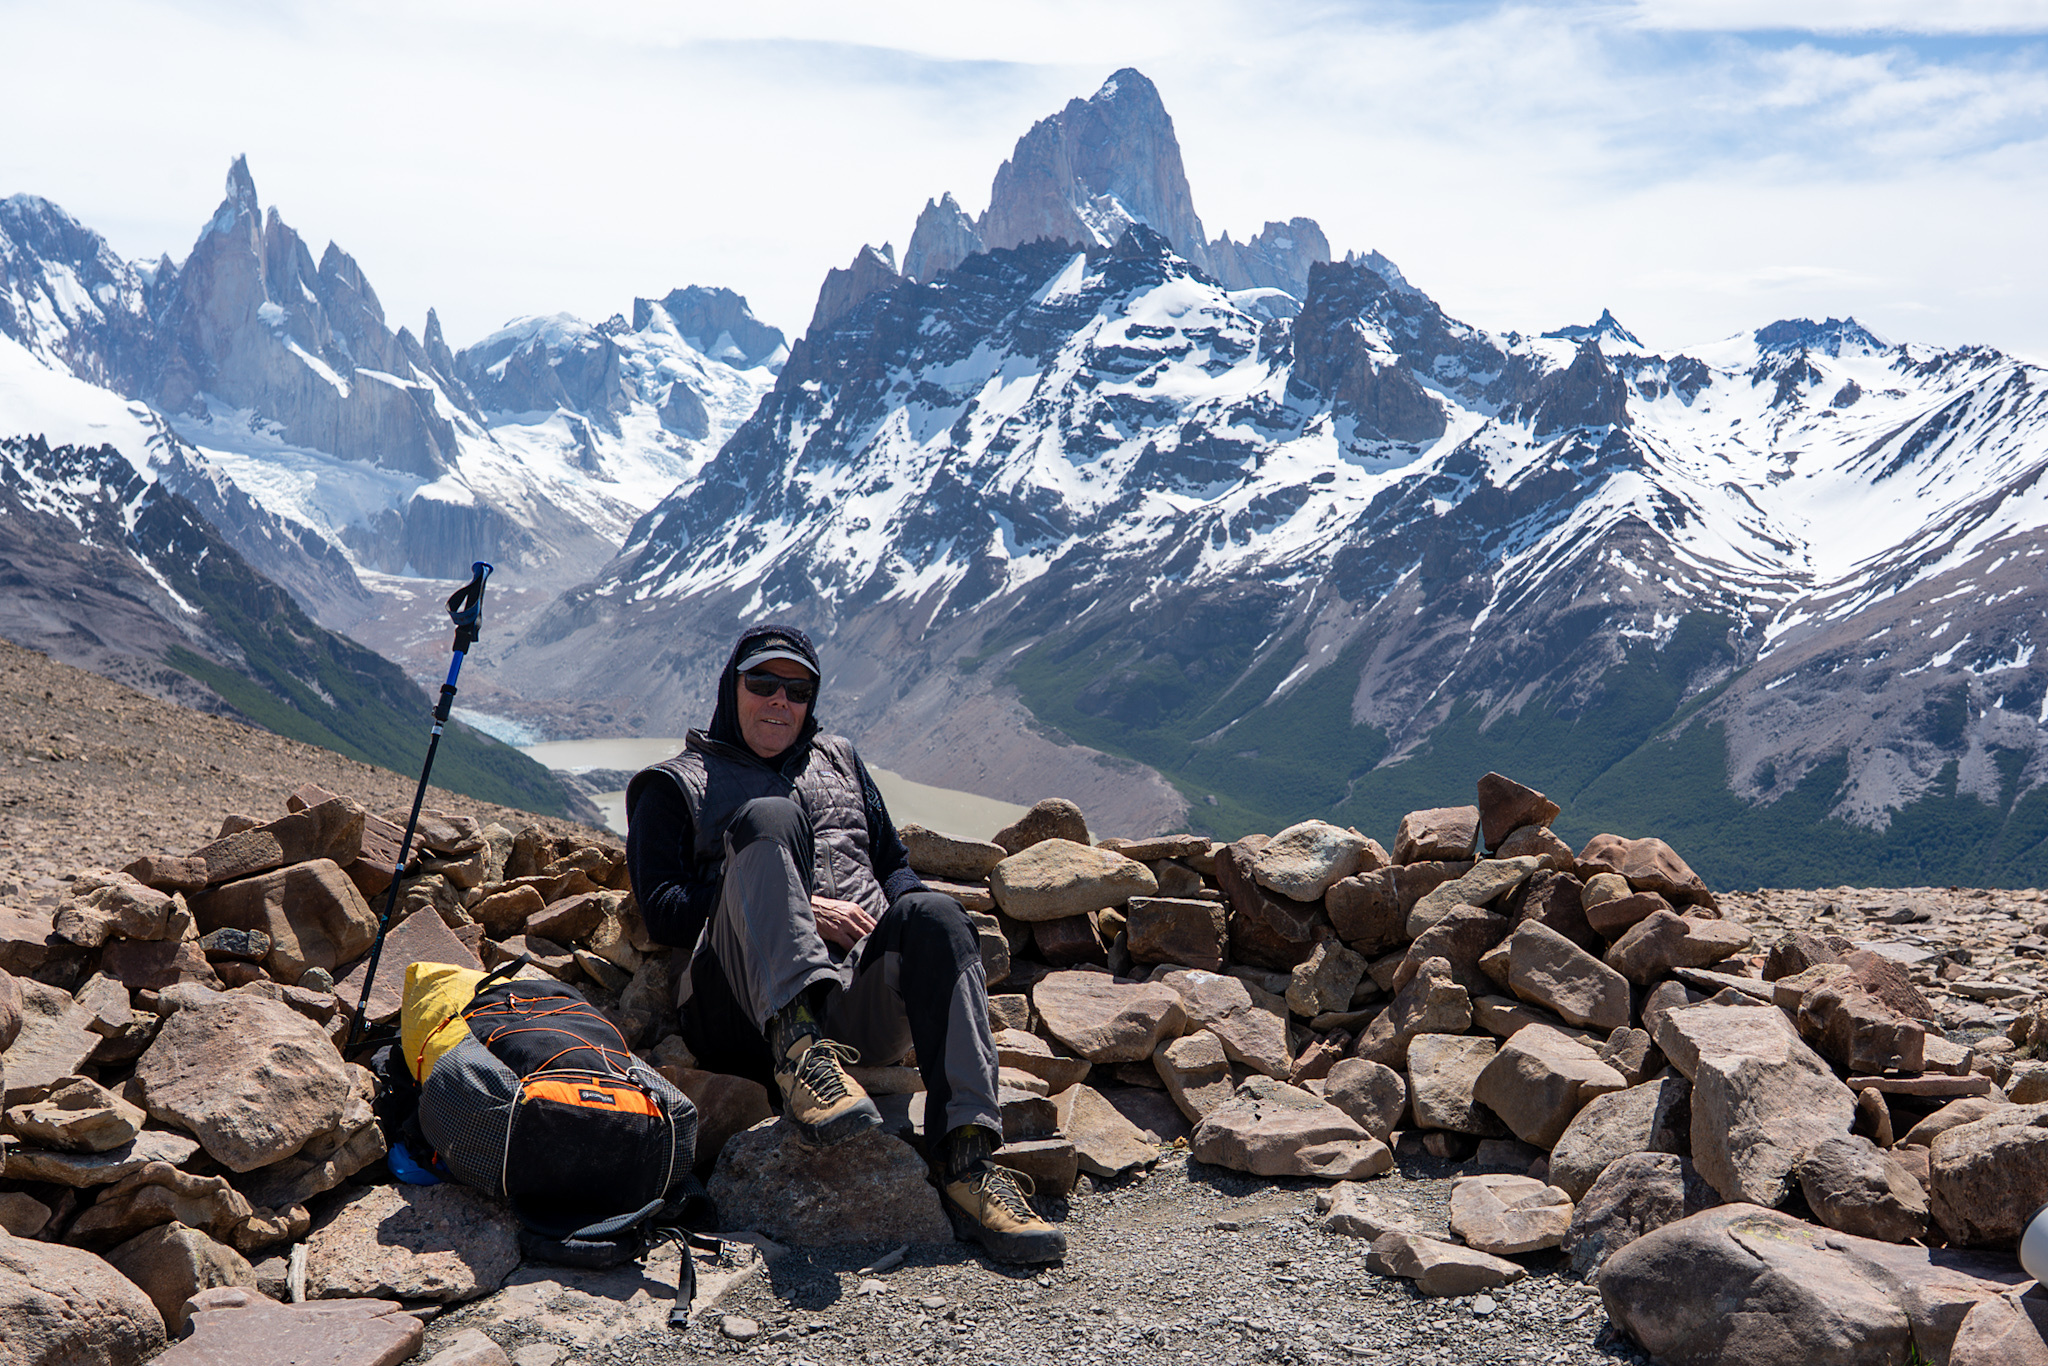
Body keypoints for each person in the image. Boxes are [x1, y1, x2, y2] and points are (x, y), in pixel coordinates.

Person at [624, 623, 1065, 1264]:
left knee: (937, 915)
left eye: (797, 690)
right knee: (768, 818)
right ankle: (799, 1059)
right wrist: (797, 906)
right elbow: (664, 915)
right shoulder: (675, 784)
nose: (780, 700)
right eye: (764, 682)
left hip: (858, 1007)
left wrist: (909, 917)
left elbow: (893, 864)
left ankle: (967, 1159)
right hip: (739, 1009)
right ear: (731, 687)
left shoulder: (840, 759)